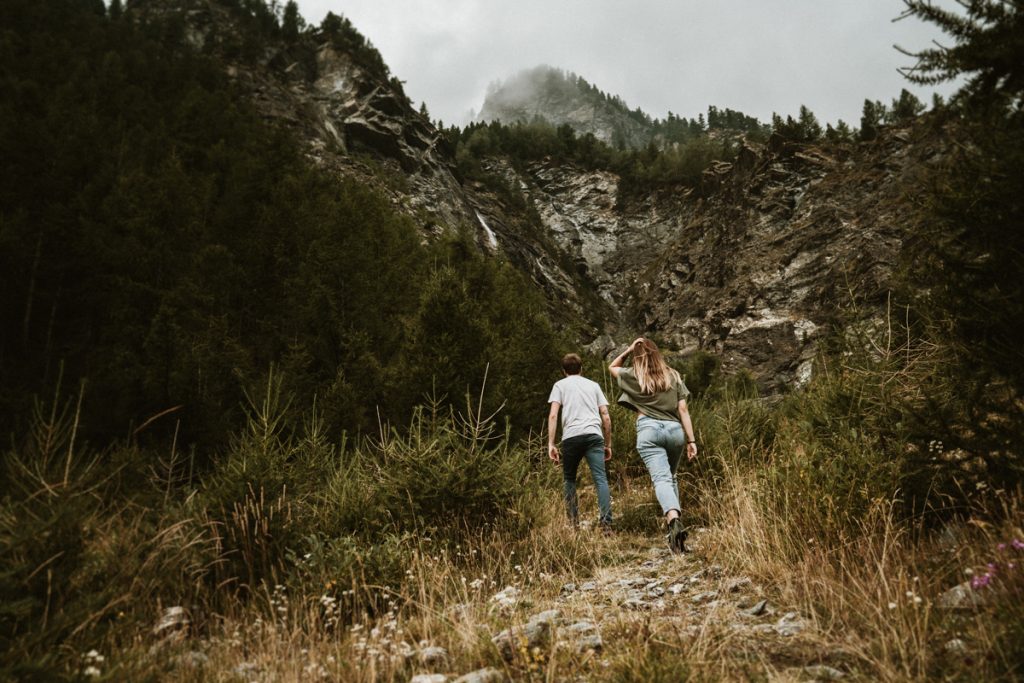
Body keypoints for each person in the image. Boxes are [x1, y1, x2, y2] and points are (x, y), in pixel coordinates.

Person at [609, 337, 697, 553]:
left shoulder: (634, 376)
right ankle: (677, 537)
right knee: (671, 477)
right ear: (658, 354)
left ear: (638, 357)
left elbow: (612, 366)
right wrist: (691, 440)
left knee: (662, 478)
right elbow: (683, 410)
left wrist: (629, 349)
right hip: (675, 430)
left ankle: (674, 521)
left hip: (648, 430)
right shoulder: (673, 376)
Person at [547, 353, 613, 531]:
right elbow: (605, 416)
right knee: (600, 479)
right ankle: (606, 524)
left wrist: (551, 444)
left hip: (571, 437)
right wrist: (608, 444)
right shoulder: (594, 385)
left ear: (564, 371)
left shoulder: (559, 386)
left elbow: (553, 414)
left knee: (569, 479)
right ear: (581, 369)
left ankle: (573, 524)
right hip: (593, 436)